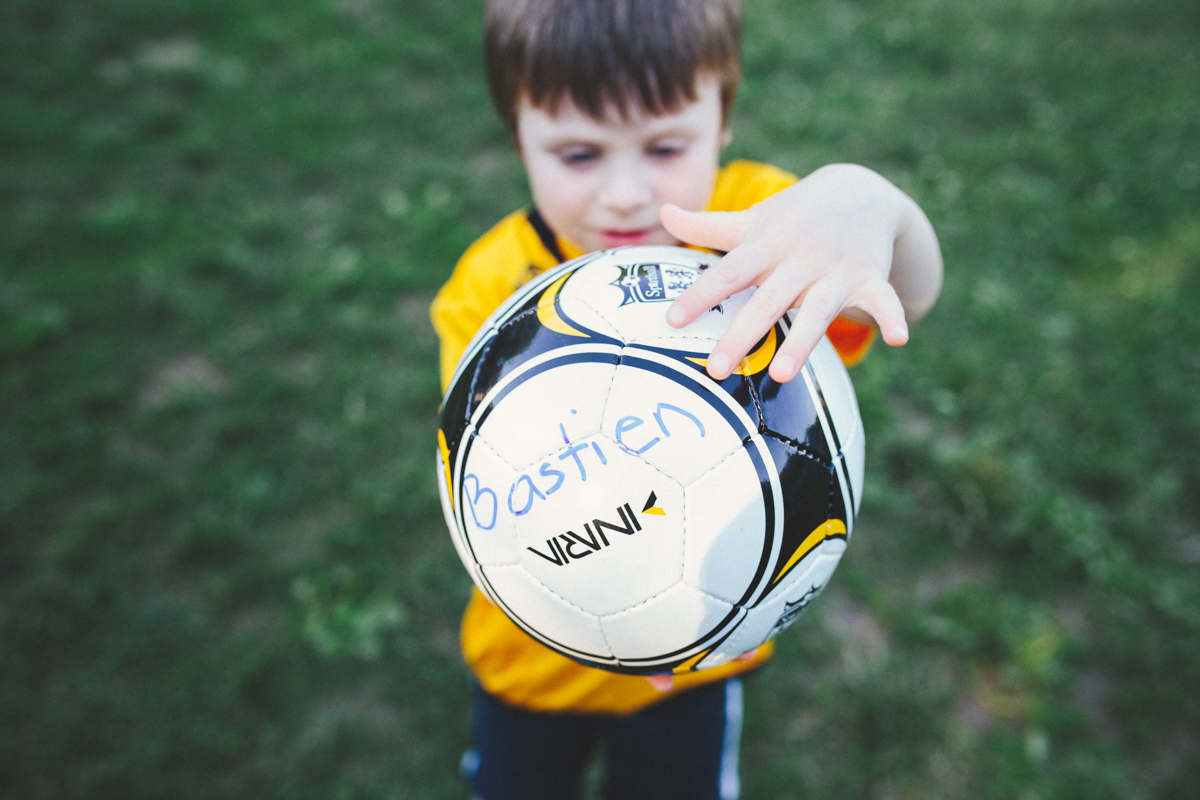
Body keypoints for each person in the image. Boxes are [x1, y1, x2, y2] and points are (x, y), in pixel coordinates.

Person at [430, 1, 943, 797]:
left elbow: (906, 299)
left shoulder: (760, 233)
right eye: (577, 153)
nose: (626, 195)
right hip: (530, 655)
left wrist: (876, 209)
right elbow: (495, 485)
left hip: (707, 649)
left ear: (723, 119)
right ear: (516, 134)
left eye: (665, 147)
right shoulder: (491, 296)